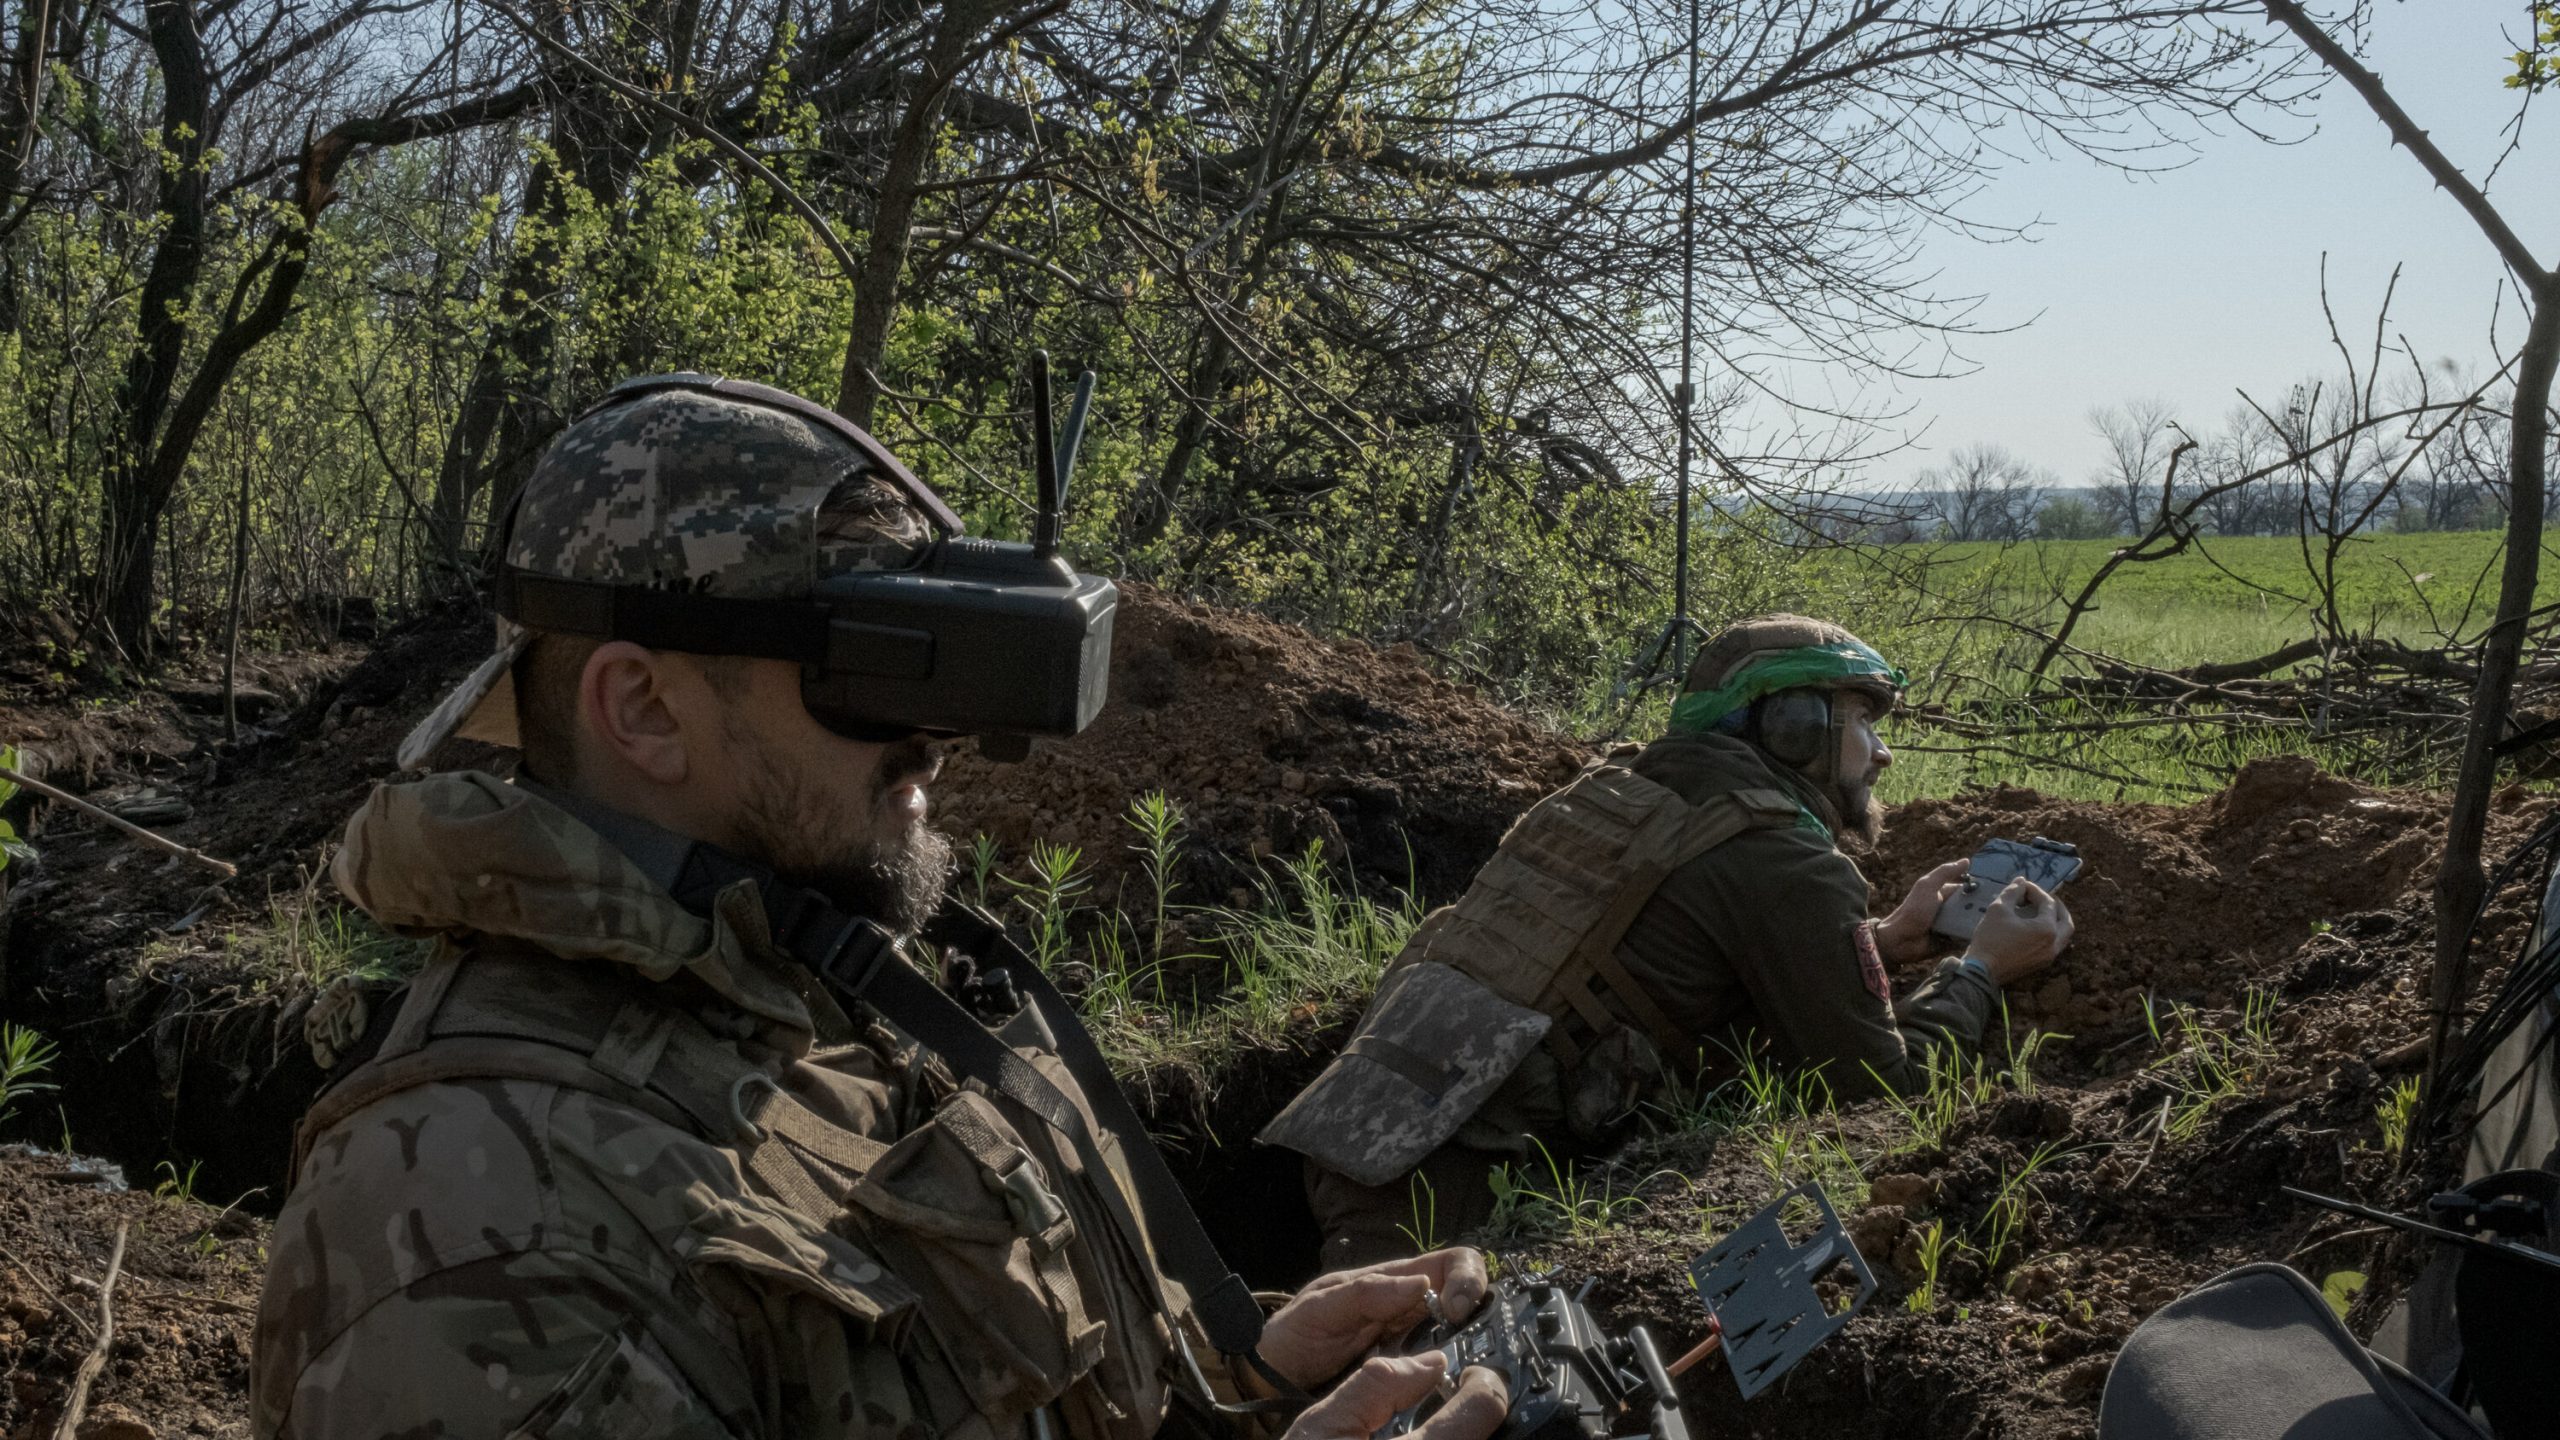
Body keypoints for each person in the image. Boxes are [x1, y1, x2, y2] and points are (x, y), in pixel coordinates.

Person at [250, 374, 1511, 1440]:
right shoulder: (475, 1225)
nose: (936, 739)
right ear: (642, 710)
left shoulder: (807, 994)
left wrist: (1237, 1372)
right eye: (867, 667)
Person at [1261, 614, 2077, 1269]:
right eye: (1864, 719)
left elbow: (1620, 941)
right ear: (1796, 726)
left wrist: (1879, 940)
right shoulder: (1788, 861)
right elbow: (1877, 1093)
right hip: (1453, 1196)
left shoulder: (1618, 789)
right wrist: (1980, 969)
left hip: (1359, 1139)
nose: (1883, 750)